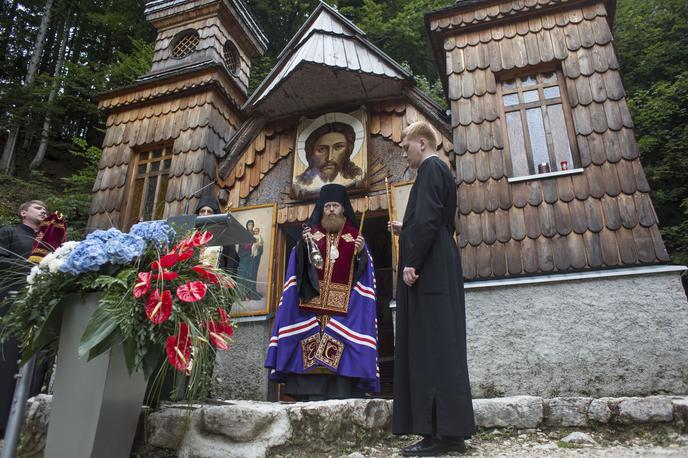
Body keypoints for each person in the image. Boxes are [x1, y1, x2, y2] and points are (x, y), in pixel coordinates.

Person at [389, 121, 475, 456]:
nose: (404, 151)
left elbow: (427, 220)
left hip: (431, 269)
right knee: (441, 344)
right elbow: (431, 220)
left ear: (422, 143)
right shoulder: (440, 171)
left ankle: (442, 435)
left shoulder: (430, 169)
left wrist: (412, 261)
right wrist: (405, 228)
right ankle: (446, 431)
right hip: (440, 261)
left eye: (406, 146)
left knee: (432, 345)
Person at [265, 184, 379, 400]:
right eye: (327, 206)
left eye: (336, 205)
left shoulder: (355, 238)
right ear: (322, 208)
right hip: (311, 311)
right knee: (310, 347)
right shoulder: (311, 236)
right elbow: (295, 271)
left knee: (340, 354)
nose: (331, 210)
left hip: (343, 312)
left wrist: (361, 253)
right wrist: (301, 248)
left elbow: (366, 275)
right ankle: (308, 392)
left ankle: (343, 389)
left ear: (343, 208)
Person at [0, 200, 47, 434]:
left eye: (45, 209)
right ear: (23, 212)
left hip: (39, 307)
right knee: (7, 358)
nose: (44, 210)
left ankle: (22, 423)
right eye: (38, 207)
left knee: (36, 360)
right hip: (9, 304)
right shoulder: (9, 233)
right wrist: (31, 269)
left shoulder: (49, 242)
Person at [295, 122, 363, 187]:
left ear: (348, 150)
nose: (329, 158)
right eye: (322, 149)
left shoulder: (357, 178)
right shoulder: (301, 183)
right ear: (311, 153)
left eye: (338, 147)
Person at [195, 194, 239, 274]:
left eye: (209, 212)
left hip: (216, 282)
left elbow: (232, 263)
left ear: (215, 214)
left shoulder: (224, 236)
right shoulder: (192, 236)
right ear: (198, 214)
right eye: (202, 211)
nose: (205, 214)